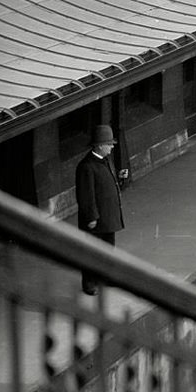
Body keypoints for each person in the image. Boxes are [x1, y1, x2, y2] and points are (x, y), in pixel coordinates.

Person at [73, 123, 126, 295]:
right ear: (100, 145)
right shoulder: (86, 166)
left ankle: (106, 276)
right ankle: (89, 283)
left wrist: (120, 178)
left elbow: (107, 184)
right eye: (109, 144)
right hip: (96, 220)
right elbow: (86, 195)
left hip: (107, 216)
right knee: (91, 251)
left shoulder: (105, 161)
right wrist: (91, 217)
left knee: (107, 250)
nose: (111, 147)